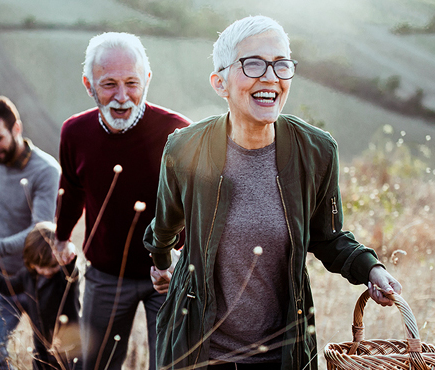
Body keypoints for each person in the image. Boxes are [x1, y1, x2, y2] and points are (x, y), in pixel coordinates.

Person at [143, 16, 404, 370]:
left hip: (282, 353)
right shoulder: (185, 148)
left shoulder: (317, 151)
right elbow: (164, 226)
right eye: (252, 64)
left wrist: (370, 268)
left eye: (281, 64)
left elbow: (328, 237)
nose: (270, 76)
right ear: (219, 83)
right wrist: (161, 263)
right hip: (198, 349)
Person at [55, 32, 191, 370]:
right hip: (105, 275)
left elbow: (197, 208)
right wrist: (60, 237)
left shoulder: (178, 133)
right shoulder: (74, 133)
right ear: (89, 84)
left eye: (131, 83)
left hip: (167, 273)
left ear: (147, 79)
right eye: (109, 84)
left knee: (172, 365)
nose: (121, 97)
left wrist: (176, 259)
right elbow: (71, 189)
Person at [0, 96, 72, 369]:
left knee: (53, 361)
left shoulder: (46, 171)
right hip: (0, 277)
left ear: (17, 129)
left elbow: (40, 232)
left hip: (39, 279)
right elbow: (1, 211)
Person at [0, 221, 80, 370]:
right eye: (41, 267)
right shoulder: (28, 275)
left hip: (68, 349)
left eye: (52, 266)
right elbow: (8, 287)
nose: (47, 272)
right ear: (31, 261)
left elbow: (72, 270)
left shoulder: (64, 278)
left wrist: (68, 251)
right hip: (41, 350)